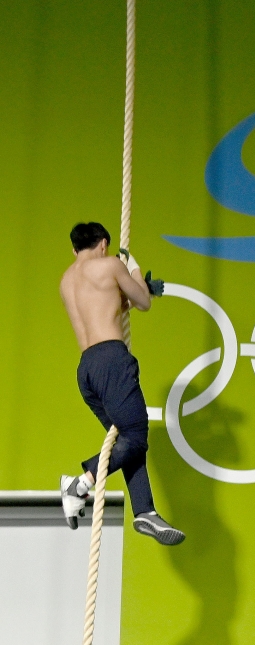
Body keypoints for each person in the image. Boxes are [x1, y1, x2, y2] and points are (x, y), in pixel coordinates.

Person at [59, 221, 185, 545]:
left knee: (127, 444)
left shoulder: (66, 280)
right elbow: (143, 301)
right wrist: (133, 267)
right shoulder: (110, 265)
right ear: (103, 244)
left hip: (86, 369)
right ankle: (80, 483)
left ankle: (145, 510)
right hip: (111, 360)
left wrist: (129, 289)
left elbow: (107, 307)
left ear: (75, 250)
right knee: (136, 435)